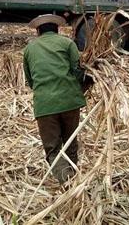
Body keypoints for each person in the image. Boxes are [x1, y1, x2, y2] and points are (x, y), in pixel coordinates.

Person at [23, 14, 88, 184]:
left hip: (45, 105)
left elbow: (30, 80)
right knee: (70, 145)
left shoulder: (30, 49)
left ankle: (66, 182)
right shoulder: (67, 43)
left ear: (38, 32)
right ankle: (74, 182)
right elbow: (78, 70)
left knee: (53, 150)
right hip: (70, 101)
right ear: (57, 30)